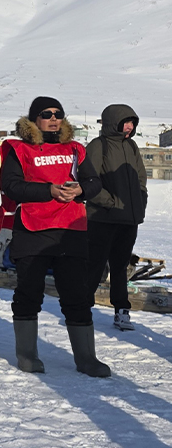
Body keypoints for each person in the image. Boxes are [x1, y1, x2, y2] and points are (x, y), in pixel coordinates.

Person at [0, 96, 109, 377]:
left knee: (77, 295)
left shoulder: (75, 149)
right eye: (46, 114)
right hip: (32, 230)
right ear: (34, 119)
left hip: (70, 230)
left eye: (58, 113)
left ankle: (87, 358)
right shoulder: (19, 149)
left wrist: (81, 190)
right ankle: (27, 355)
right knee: (29, 293)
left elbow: (94, 182)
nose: (53, 118)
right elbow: (11, 186)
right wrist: (49, 190)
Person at [85, 104, 147, 331]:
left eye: (132, 123)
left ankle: (122, 310)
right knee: (94, 265)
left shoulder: (132, 146)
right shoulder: (98, 145)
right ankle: (81, 309)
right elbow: (88, 180)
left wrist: (140, 201)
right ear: (114, 122)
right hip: (102, 218)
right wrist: (110, 202)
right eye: (125, 122)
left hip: (128, 219)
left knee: (120, 267)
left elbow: (141, 178)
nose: (129, 127)